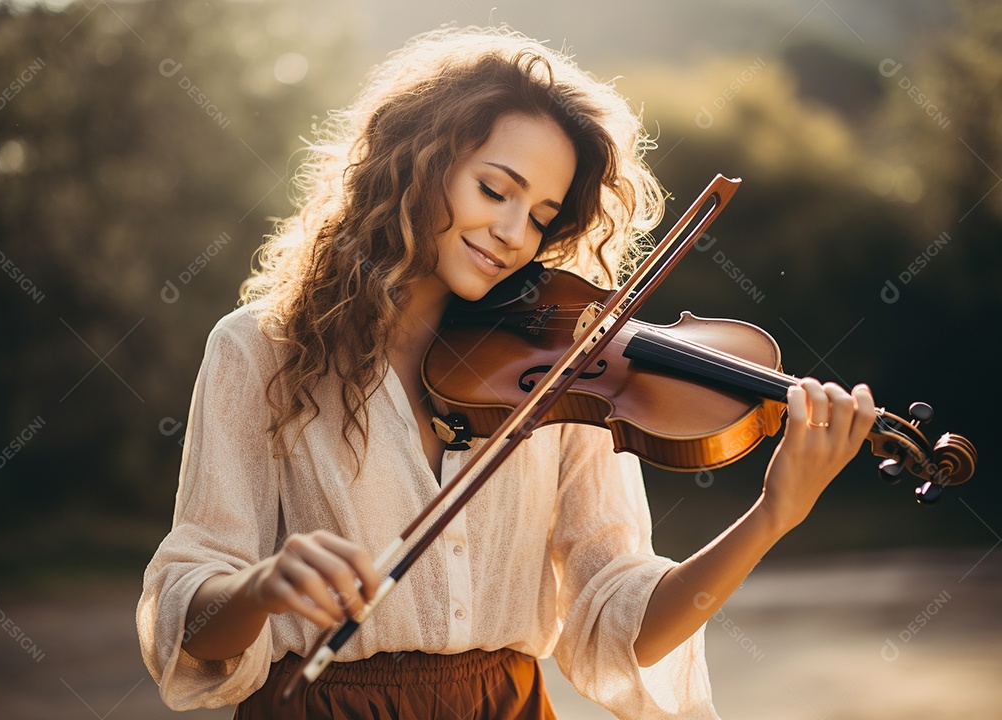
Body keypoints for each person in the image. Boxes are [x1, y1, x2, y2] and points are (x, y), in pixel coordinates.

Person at [136, 26, 875, 720]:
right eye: (494, 190)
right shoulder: (261, 349)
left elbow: (618, 620)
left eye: (542, 215)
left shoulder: (568, 371)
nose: (514, 234)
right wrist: (259, 588)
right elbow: (189, 625)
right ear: (415, 165)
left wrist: (772, 515)